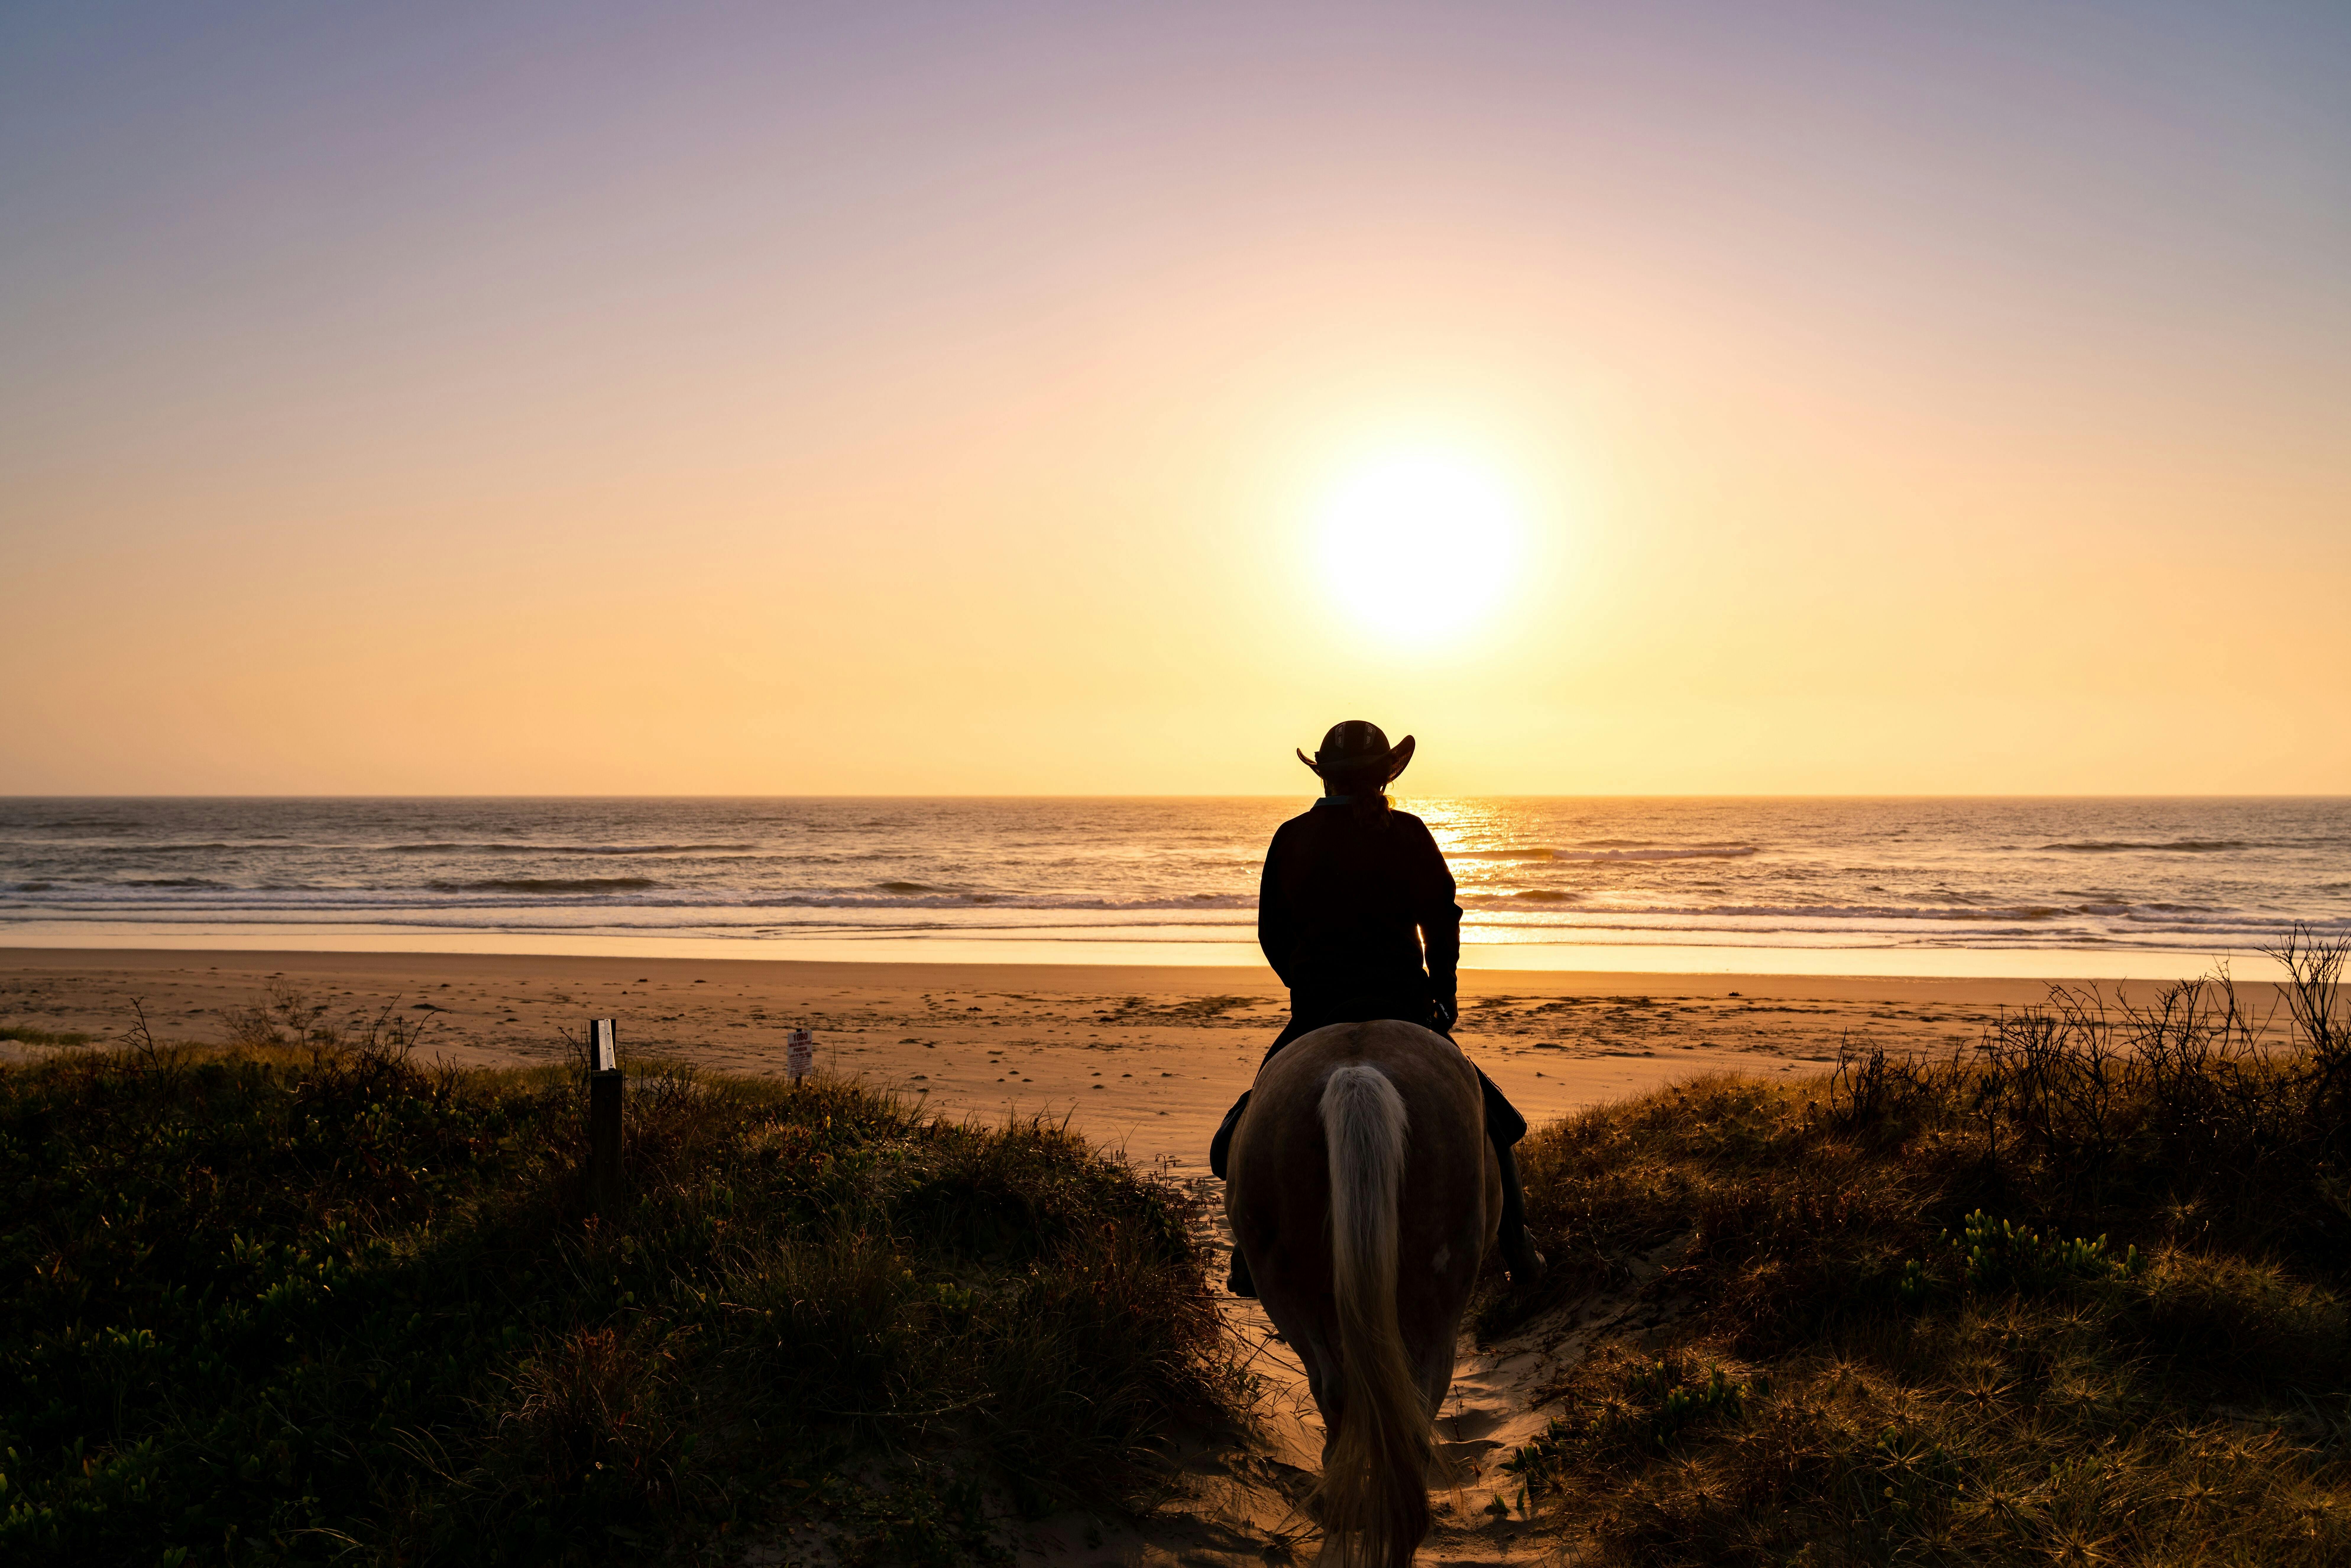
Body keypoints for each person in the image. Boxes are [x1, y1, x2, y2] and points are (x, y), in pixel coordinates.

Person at [1211, 720, 1546, 1296]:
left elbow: (1271, 934)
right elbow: (1443, 920)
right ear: (1386, 774)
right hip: (1404, 1007)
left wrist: (1308, 982)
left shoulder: (1290, 837)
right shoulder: (1408, 832)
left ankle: (1249, 1254)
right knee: (1494, 1124)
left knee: (1236, 1136)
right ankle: (1517, 1248)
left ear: (1323, 776)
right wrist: (1443, 995)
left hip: (1317, 1011)